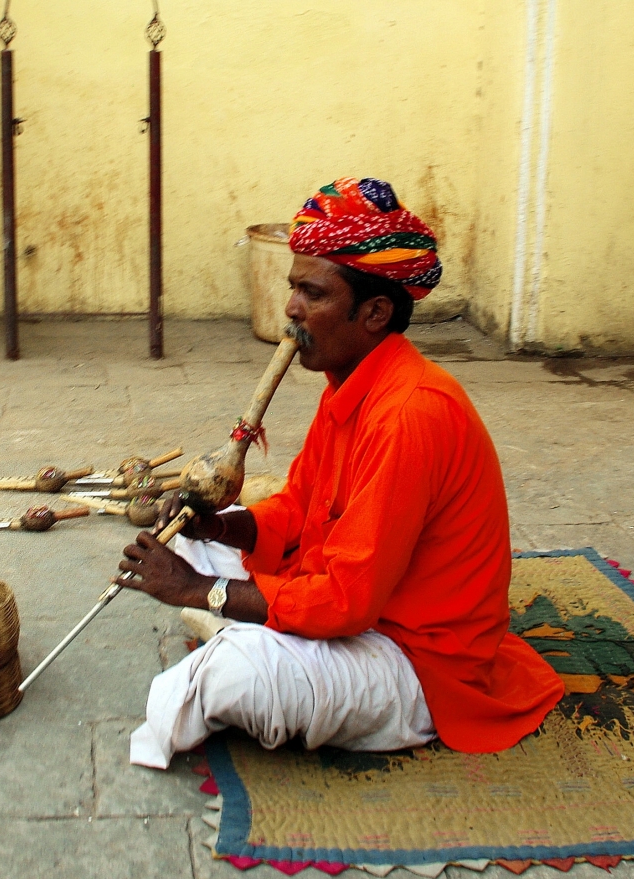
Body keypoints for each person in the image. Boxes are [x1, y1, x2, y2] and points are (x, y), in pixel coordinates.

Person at [118, 177, 564, 769]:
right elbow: (300, 506)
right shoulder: (350, 385)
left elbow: (348, 603)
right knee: (193, 550)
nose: (291, 309)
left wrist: (199, 591)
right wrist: (221, 527)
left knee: (233, 678)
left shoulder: (410, 413)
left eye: (313, 293)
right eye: (293, 288)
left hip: (415, 656)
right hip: (366, 605)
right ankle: (246, 619)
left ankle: (242, 630)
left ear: (375, 312)